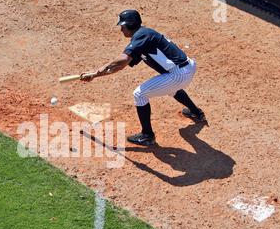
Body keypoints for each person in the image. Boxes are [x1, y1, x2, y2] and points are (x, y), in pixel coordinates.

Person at [81, 9, 206, 146]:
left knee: (139, 94)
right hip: (186, 69)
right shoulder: (143, 37)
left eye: (122, 26)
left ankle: (147, 135)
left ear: (131, 24)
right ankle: (196, 112)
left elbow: (122, 59)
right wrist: (95, 75)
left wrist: (96, 71)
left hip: (179, 73)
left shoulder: (141, 35)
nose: (121, 29)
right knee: (171, 87)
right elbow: (120, 66)